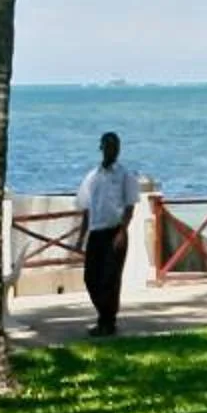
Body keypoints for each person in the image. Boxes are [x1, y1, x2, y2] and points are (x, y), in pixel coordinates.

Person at [76, 131, 140, 336]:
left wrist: (122, 232)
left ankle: (107, 322)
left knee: (111, 279)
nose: (112, 150)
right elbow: (87, 210)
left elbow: (130, 207)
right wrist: (80, 239)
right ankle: (104, 316)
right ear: (102, 148)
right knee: (90, 278)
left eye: (115, 146)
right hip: (96, 233)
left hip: (115, 233)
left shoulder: (124, 175)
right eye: (108, 146)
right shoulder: (92, 177)